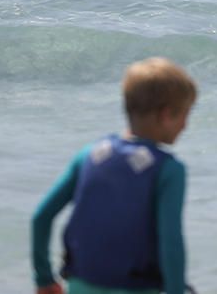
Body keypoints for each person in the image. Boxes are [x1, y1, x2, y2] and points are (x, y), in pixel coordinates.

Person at [31, 58, 197, 294]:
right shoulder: (169, 170)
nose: (185, 126)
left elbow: (41, 217)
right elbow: (170, 242)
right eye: (184, 116)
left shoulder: (89, 155)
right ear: (166, 115)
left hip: (80, 285)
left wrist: (43, 278)